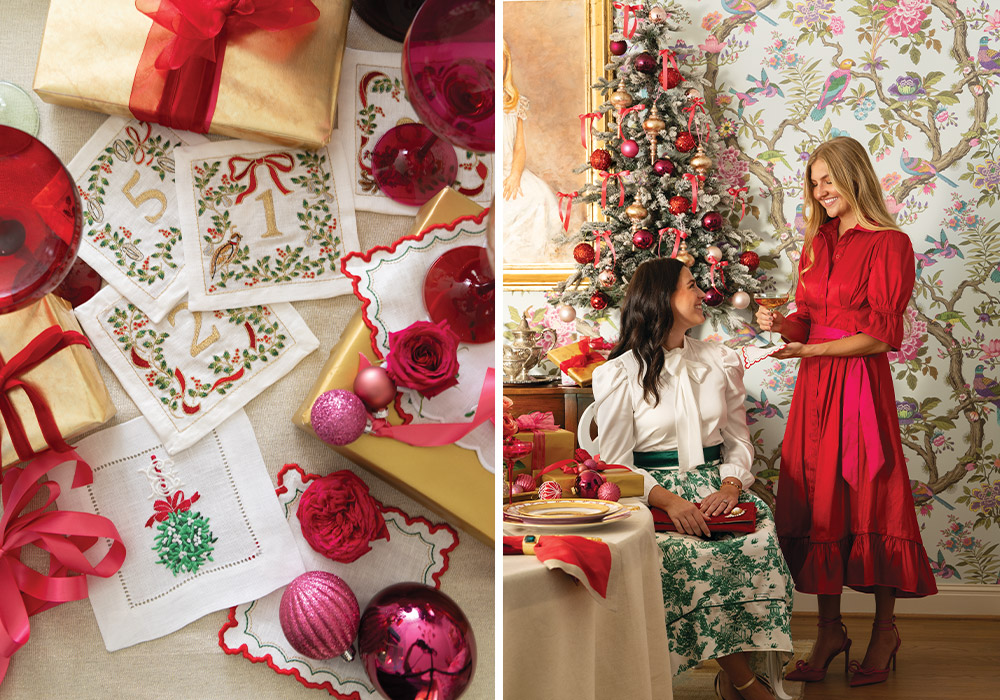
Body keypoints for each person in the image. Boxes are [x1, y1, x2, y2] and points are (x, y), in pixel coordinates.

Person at [756, 136, 937, 688]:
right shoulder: (816, 242)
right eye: (814, 183)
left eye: (828, 180)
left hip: (859, 385)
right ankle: (829, 631)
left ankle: (885, 630)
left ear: (854, 176)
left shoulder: (890, 244)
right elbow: (808, 319)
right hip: (815, 389)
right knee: (821, 500)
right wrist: (781, 325)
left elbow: (880, 337)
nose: (820, 192)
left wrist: (809, 350)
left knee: (872, 498)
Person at [593, 258, 793, 700]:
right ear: (662, 298)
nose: (702, 293)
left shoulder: (720, 360)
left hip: (718, 489)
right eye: (690, 286)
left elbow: (738, 441)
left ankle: (739, 679)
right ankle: (746, 685)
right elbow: (615, 464)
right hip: (654, 497)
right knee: (688, 557)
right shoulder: (618, 373)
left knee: (759, 544)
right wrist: (668, 501)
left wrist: (731, 485)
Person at [502, 40, 562, 262]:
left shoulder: (513, 103)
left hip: (510, 170)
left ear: (507, 63)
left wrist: (515, 175)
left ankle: (530, 261)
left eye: (501, 60)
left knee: (539, 195)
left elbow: (519, 148)